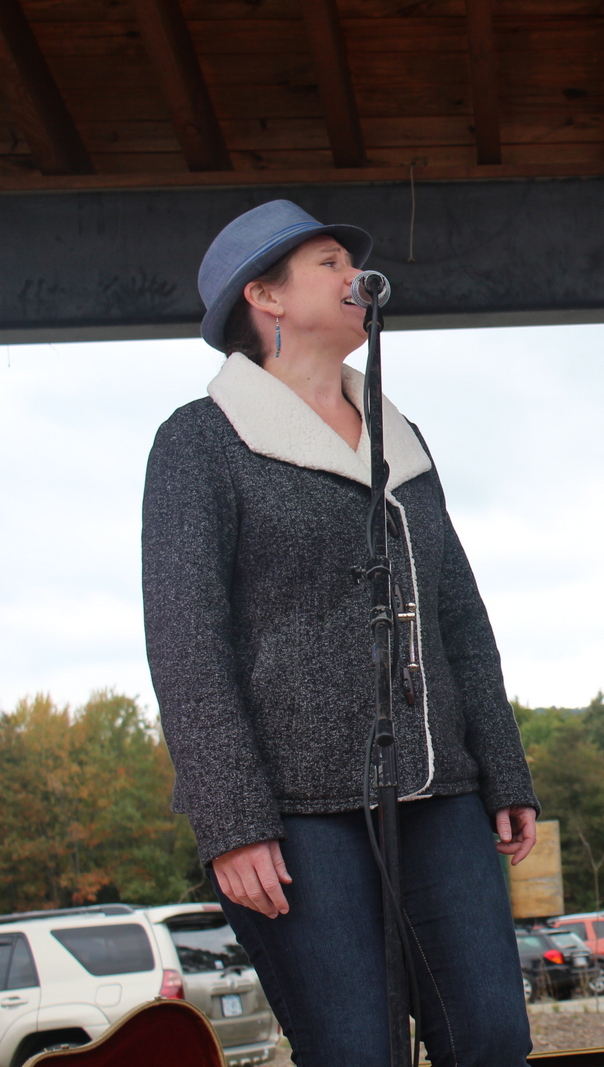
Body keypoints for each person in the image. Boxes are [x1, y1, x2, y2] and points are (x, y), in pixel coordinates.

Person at [143, 200, 538, 1067]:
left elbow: (460, 614)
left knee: (492, 1039)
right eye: (328, 263)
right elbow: (185, 642)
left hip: (439, 792)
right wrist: (232, 820)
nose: (354, 275)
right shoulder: (199, 441)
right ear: (265, 297)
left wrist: (503, 766)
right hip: (292, 815)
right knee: (358, 1053)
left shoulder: (405, 438)